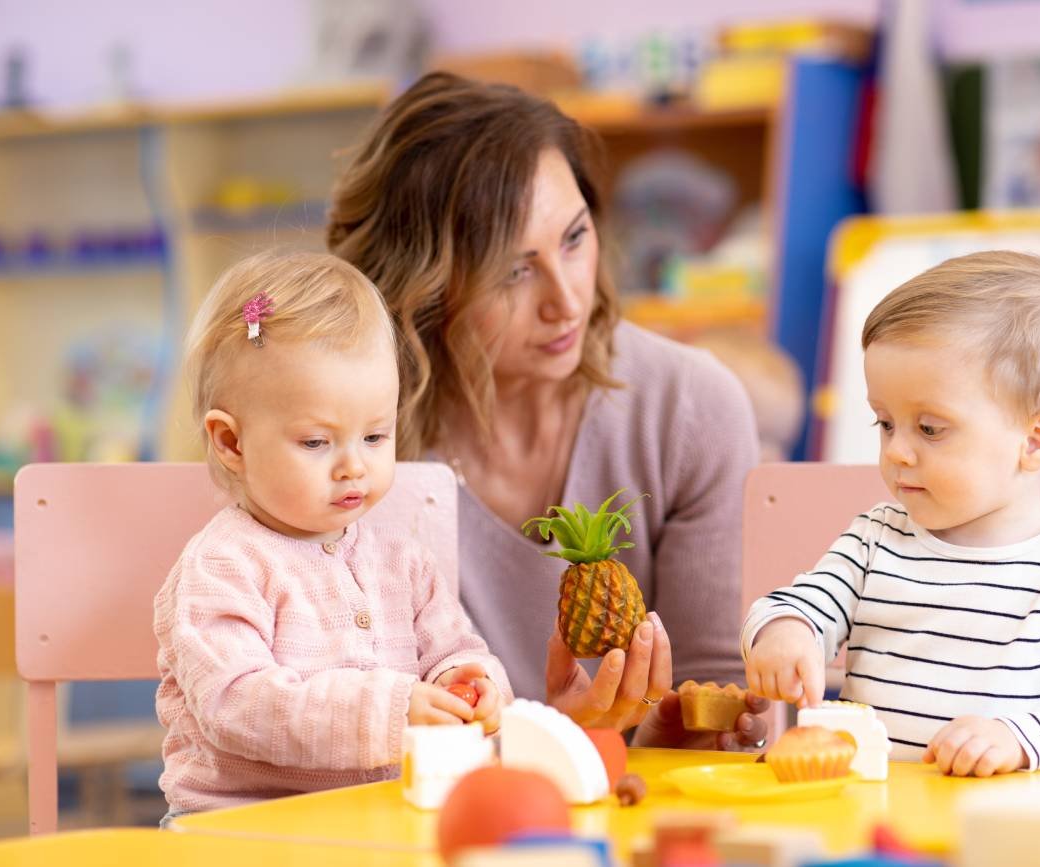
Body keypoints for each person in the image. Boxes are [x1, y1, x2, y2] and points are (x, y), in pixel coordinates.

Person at [327, 72, 768, 749]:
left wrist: (616, 734)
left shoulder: (688, 407)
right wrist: (553, 739)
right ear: (424, 287)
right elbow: (358, 732)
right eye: (514, 270)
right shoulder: (351, 452)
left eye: (574, 237)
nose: (566, 299)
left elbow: (719, 717)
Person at [743, 251, 1040, 776]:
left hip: (1004, 833)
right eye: (885, 423)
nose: (896, 452)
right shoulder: (875, 538)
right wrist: (787, 629)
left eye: (929, 429)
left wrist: (1020, 737)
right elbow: (799, 604)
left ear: (1035, 439)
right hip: (870, 820)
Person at [154, 251, 510, 820]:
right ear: (232, 443)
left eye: (375, 436)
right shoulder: (223, 566)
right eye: (317, 443)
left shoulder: (403, 562)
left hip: (384, 820)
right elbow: (234, 703)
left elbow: (453, 649)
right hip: (241, 830)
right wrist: (390, 713)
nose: (354, 467)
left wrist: (469, 680)